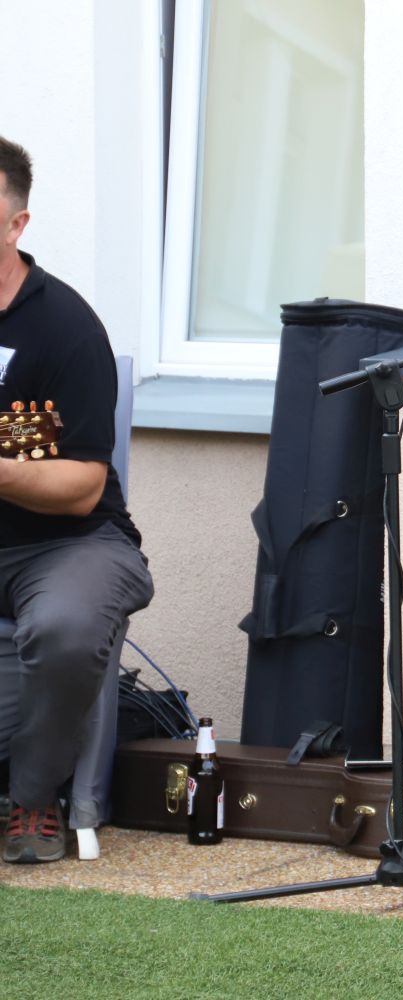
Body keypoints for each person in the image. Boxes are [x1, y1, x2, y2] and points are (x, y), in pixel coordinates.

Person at [0, 135, 154, 863]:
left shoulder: (63, 327)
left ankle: (32, 801)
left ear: (16, 224)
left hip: (68, 544)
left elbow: (78, 486)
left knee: (64, 628)